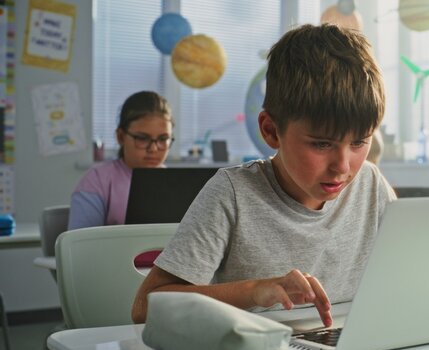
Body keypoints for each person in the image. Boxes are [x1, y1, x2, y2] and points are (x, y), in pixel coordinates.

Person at [132, 24, 396, 326]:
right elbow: (144, 307)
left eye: (359, 142)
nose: (344, 166)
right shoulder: (233, 193)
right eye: (322, 144)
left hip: (347, 339)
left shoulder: (371, 184)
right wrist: (253, 291)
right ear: (270, 131)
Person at [68, 91, 174, 230]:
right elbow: (79, 246)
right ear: (121, 137)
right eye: (142, 138)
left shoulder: (173, 183)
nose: (153, 149)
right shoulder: (96, 182)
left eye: (162, 139)